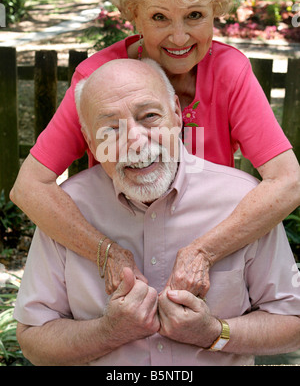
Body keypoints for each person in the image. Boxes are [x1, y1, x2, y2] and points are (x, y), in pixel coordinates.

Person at [10, 0, 300, 297]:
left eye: (194, 15)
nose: (179, 37)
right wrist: (107, 254)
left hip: (209, 262)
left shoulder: (229, 71)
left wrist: (203, 252)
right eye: (160, 17)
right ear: (134, 15)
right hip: (121, 258)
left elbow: (288, 181)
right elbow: (29, 188)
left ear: (216, 12)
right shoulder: (98, 79)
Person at [14, 59, 300, 367]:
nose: (135, 141)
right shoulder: (66, 209)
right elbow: (33, 339)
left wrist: (214, 333)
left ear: (177, 114)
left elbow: (292, 325)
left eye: (149, 116)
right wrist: (108, 332)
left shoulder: (244, 201)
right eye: (111, 128)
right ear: (89, 141)